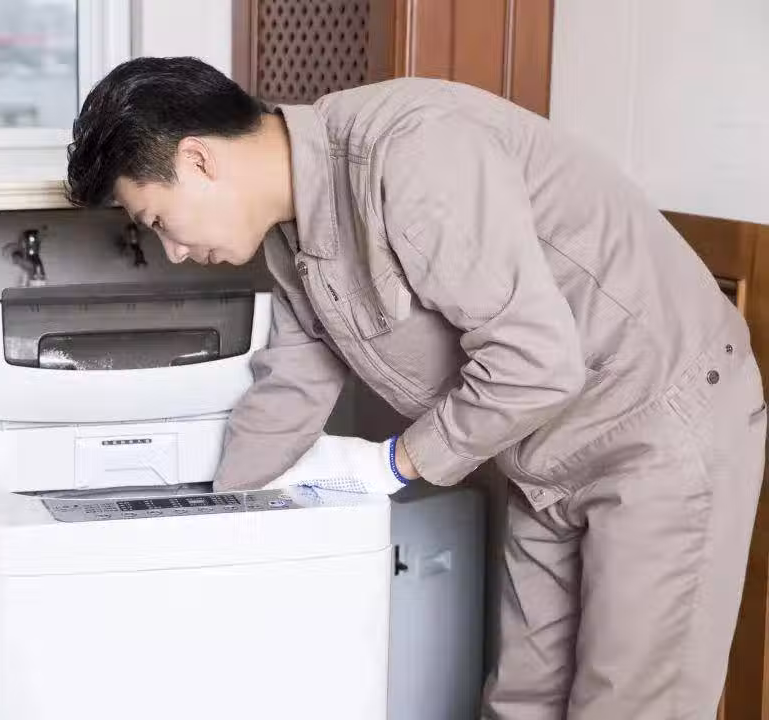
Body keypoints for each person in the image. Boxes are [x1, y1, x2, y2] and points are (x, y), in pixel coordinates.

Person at [65, 56, 766, 719]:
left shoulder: (413, 154)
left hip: (658, 423)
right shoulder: (289, 234)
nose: (174, 252)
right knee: (522, 700)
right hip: (545, 454)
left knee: (628, 703)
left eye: (158, 222)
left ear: (198, 159)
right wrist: (218, 531)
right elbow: (292, 384)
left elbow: (536, 362)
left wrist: (390, 464)